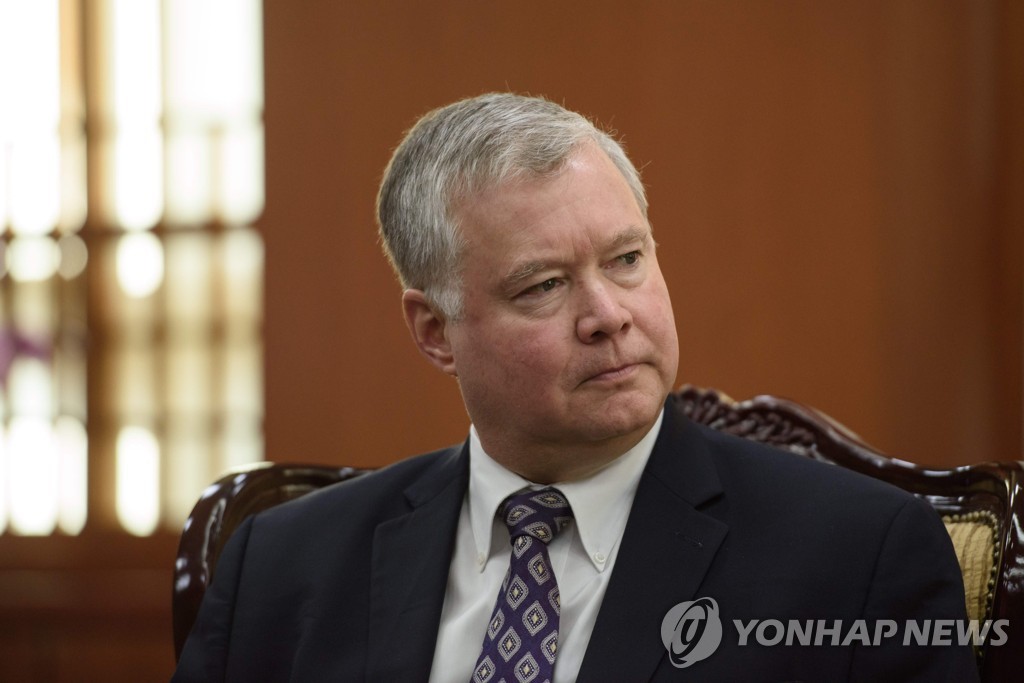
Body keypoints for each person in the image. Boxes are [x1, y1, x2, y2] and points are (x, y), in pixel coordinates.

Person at [173, 93, 979, 682]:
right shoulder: (282, 567)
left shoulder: (856, 555)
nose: (608, 315)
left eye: (626, 260)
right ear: (434, 331)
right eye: (545, 286)